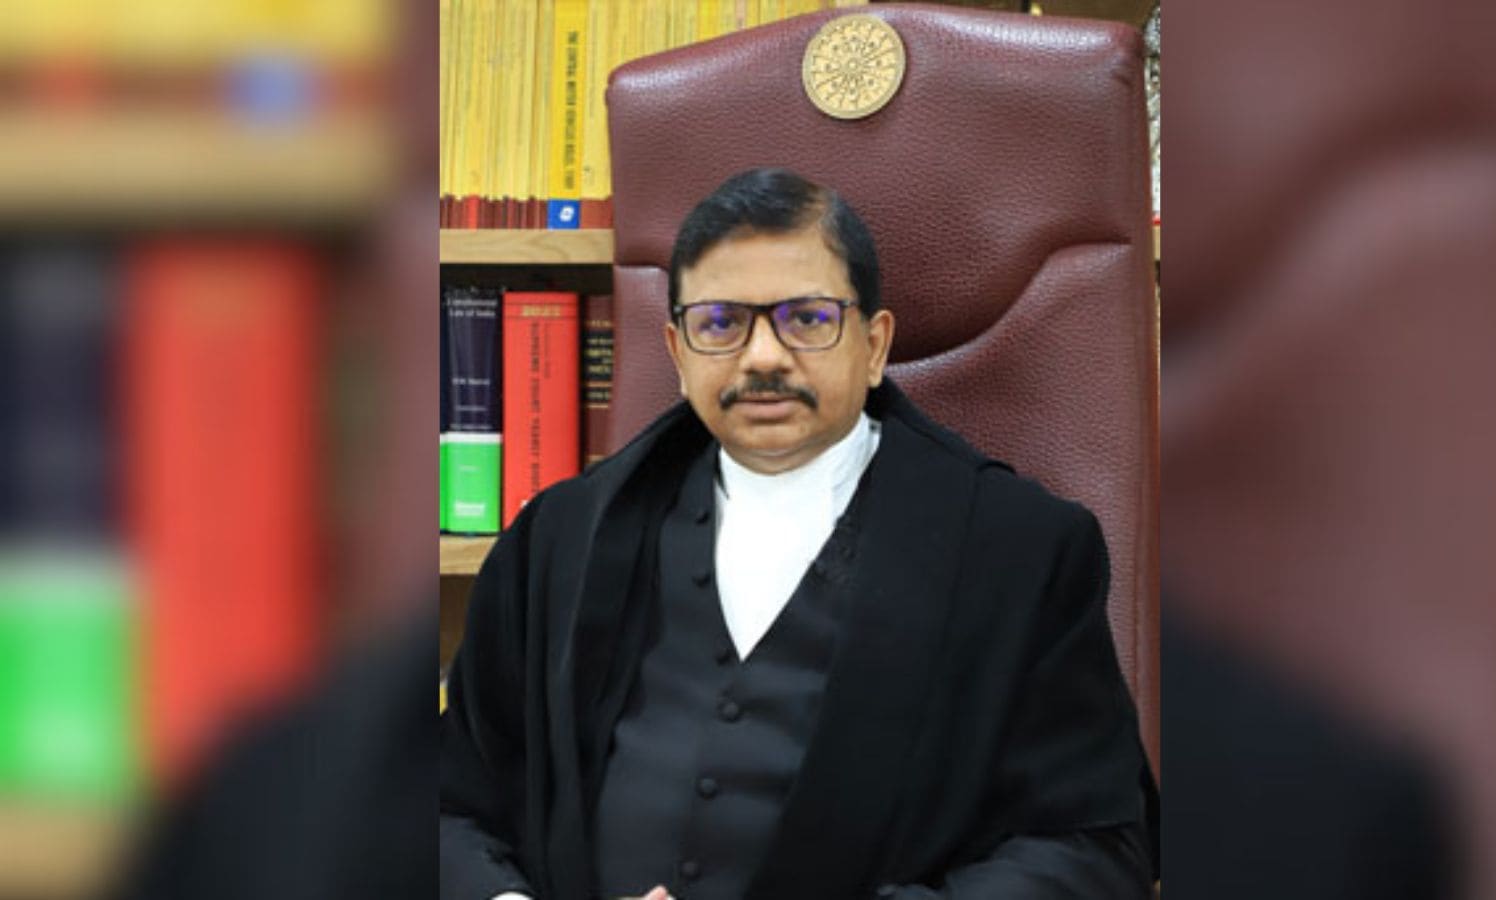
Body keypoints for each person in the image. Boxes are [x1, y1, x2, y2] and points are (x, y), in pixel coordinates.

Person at [440, 168, 1156, 900]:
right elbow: (449, 807)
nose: (763, 357)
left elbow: (1095, 850)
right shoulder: (557, 541)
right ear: (678, 353)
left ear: (874, 345)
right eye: (720, 323)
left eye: (807, 319)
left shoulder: (1019, 552)